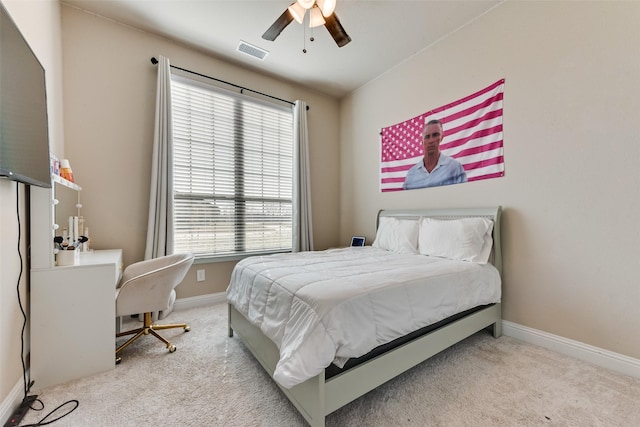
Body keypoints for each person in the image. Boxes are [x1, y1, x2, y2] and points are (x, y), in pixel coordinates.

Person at [402, 119, 467, 190]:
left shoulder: (454, 167)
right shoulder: (411, 174)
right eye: (427, 137)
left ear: (442, 137)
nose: (431, 140)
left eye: (435, 135)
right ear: (422, 141)